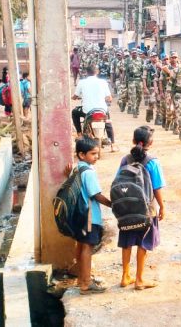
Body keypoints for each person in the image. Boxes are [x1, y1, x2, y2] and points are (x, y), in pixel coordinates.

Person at [117, 126, 166, 290]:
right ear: (150, 143)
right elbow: (157, 188)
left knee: (127, 241)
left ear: (133, 141)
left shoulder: (125, 160)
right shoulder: (153, 162)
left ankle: (125, 276)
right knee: (143, 242)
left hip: (126, 208)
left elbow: (118, 181)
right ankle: (139, 279)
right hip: (146, 209)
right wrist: (162, 207)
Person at [67, 138, 112, 294]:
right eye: (93, 154)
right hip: (89, 216)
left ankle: (81, 279)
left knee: (80, 245)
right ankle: (86, 283)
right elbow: (96, 195)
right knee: (88, 247)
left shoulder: (76, 169)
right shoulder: (89, 172)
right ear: (81, 154)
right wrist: (113, 204)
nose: (96, 157)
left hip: (77, 215)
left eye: (97, 153)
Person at [72, 65, 114, 143]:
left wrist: (73, 97)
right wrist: (106, 99)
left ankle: (79, 134)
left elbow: (75, 96)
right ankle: (113, 143)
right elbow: (109, 98)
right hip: (102, 109)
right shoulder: (103, 82)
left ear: (86, 73)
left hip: (87, 111)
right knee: (107, 121)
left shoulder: (82, 82)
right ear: (97, 72)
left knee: (74, 112)